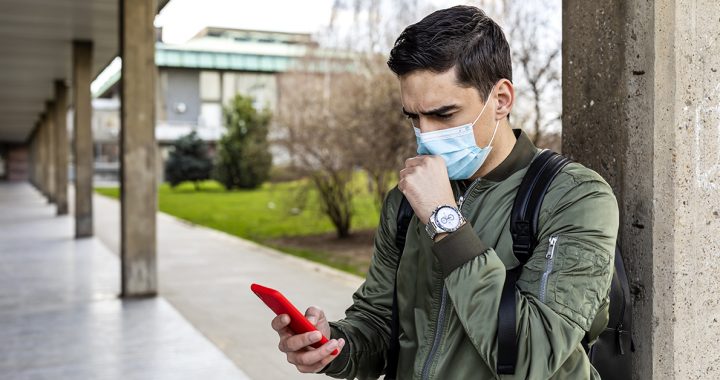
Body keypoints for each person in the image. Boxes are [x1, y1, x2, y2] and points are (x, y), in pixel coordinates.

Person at [270, 5, 618, 379]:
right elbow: (377, 323)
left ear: (501, 99)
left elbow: (531, 355)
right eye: (414, 117)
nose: (427, 135)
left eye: (444, 114)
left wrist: (444, 220)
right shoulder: (405, 202)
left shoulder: (576, 197)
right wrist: (334, 346)